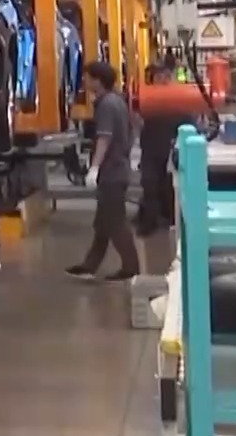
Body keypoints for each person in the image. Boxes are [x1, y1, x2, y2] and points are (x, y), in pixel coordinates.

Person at [68, 60, 140, 282]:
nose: (84, 81)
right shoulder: (117, 100)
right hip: (118, 168)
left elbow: (104, 138)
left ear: (98, 80)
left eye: (87, 77)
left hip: (111, 172)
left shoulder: (107, 105)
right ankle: (89, 265)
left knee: (115, 222)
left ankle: (131, 267)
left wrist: (95, 167)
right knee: (102, 223)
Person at [134, 65, 187, 237]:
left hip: (171, 150)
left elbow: (189, 122)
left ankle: (171, 219)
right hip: (150, 149)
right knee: (149, 184)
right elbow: (137, 119)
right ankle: (149, 222)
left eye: (166, 77)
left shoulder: (179, 99)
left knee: (169, 187)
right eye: (158, 77)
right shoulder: (148, 99)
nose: (162, 81)